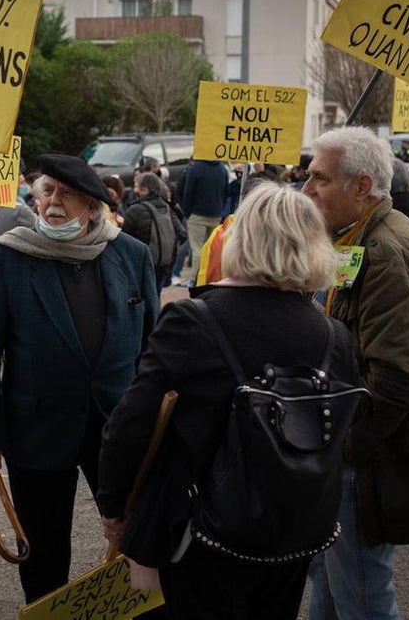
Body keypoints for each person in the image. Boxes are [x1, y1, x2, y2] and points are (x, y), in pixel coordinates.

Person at [99, 182, 360, 619]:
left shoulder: (192, 319)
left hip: (201, 531)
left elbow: (133, 423)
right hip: (294, 528)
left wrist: (114, 504)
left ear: (242, 238)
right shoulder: (332, 334)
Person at [0, 154, 160, 603]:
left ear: (93, 206)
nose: (53, 201)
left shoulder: (131, 254)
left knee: (136, 534)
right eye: (47, 190)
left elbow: (152, 348)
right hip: (36, 428)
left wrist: (153, 421)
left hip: (118, 425)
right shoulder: (6, 256)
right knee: (44, 548)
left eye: (67, 193)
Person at [301, 127, 409, 620]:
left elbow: (400, 379)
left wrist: (345, 445)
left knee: (360, 593)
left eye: (319, 178)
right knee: (332, 583)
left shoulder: (381, 250)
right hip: (356, 448)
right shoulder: (363, 234)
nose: (306, 188)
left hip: (367, 455)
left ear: (361, 186)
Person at [122, 172, 178, 288]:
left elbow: (124, 239)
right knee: (155, 298)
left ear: (143, 188)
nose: (134, 189)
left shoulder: (135, 210)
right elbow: (180, 233)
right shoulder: (165, 207)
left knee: (142, 299)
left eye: (136, 185)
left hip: (142, 264)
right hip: (162, 262)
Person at [181, 159, 229, 284]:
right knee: (213, 248)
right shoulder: (222, 169)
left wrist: (187, 212)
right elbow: (225, 191)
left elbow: (188, 192)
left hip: (197, 214)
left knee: (197, 248)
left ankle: (196, 279)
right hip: (216, 213)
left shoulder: (195, 168)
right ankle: (211, 277)